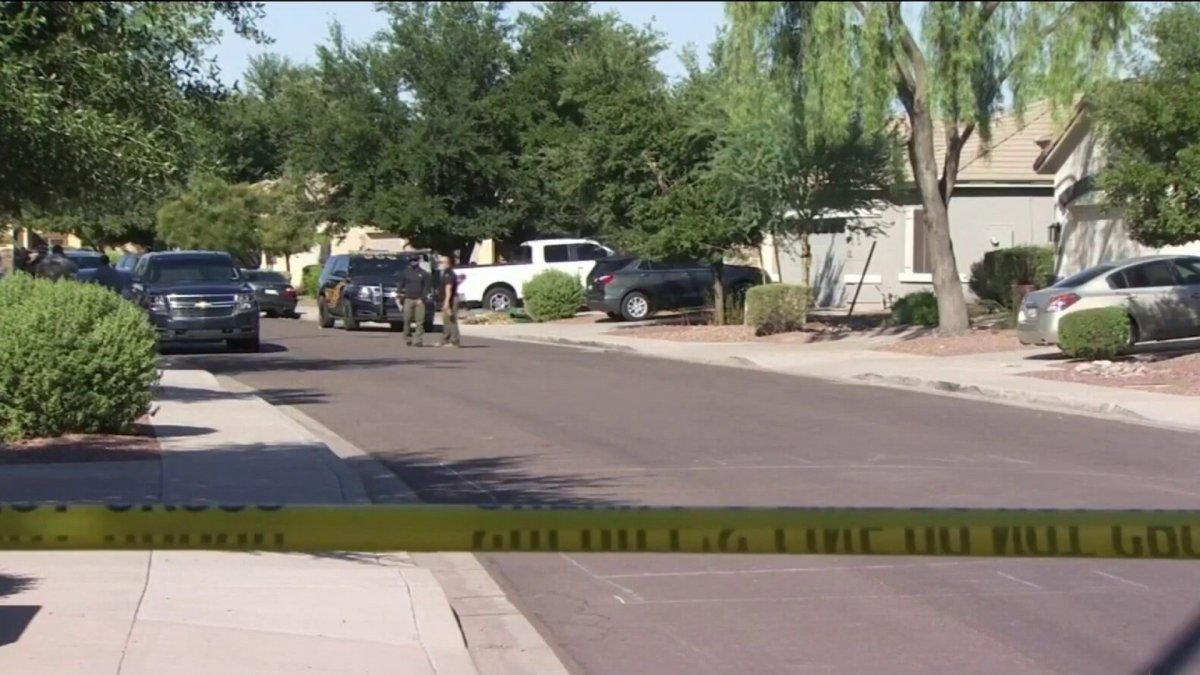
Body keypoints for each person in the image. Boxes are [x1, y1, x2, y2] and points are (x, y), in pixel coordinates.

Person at [399, 255, 431, 347]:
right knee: (407, 320)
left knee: (419, 321)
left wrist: (422, 298)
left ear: (418, 261)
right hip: (408, 299)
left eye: (415, 260)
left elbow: (426, 288)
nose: (413, 262)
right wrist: (399, 294)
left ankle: (418, 340)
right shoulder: (405, 273)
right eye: (412, 260)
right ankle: (407, 338)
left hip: (419, 300)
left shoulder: (424, 274)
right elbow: (401, 285)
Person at [437, 254, 461, 348]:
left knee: (452, 320)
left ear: (447, 263)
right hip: (446, 299)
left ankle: (455, 341)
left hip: (451, 299)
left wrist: (447, 302)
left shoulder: (449, 274)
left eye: (441, 262)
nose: (439, 264)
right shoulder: (444, 273)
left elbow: (449, 288)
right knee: (446, 321)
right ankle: (445, 340)